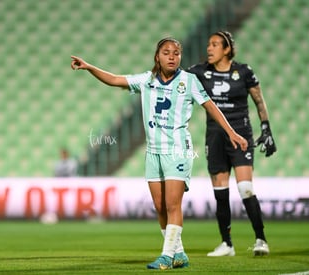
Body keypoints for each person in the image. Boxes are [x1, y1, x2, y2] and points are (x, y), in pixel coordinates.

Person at [71, 37, 248, 270]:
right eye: (167, 52)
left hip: (177, 151)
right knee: (160, 206)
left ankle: (166, 256)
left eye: (176, 52)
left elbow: (210, 107)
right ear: (158, 57)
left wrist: (232, 132)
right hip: (153, 152)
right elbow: (115, 79)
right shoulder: (147, 80)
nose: (172, 56)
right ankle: (180, 253)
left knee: (173, 205)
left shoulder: (189, 81)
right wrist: (89, 67)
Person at [188, 30, 276, 257]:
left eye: (215, 44)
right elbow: (175, 79)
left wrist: (266, 127)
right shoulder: (199, 72)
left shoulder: (244, 72)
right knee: (220, 191)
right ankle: (227, 244)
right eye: (208, 44)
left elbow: (258, 99)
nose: (209, 48)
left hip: (241, 134)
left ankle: (261, 239)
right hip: (215, 136)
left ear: (227, 49)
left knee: (245, 187)